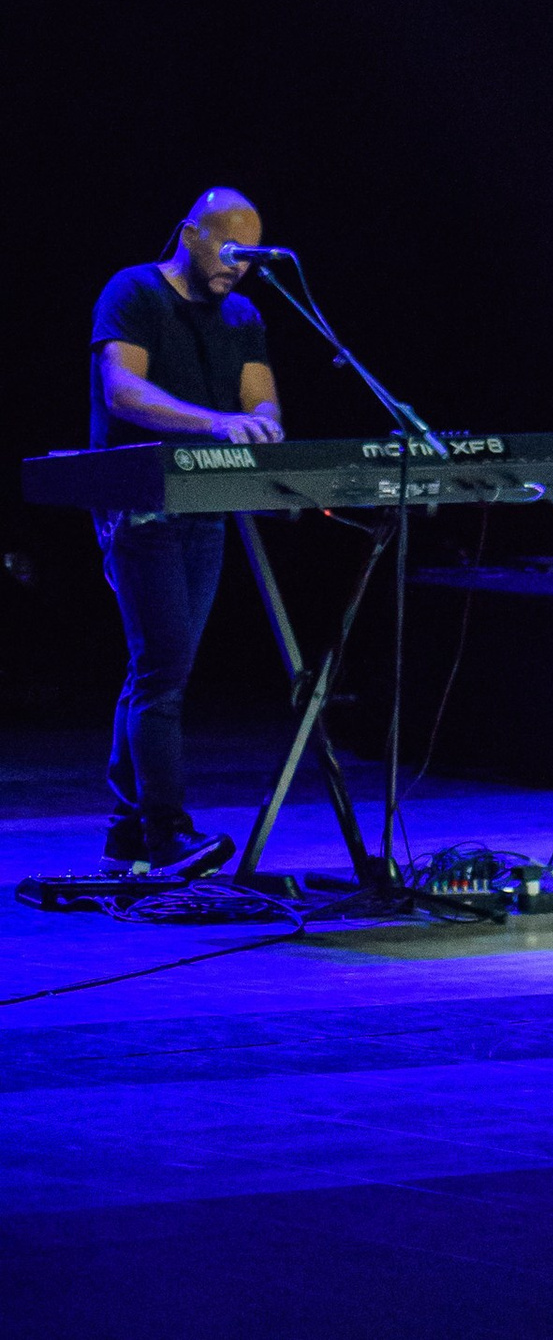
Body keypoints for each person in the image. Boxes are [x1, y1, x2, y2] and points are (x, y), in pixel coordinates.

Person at [89, 187, 283, 876]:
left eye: (249, 255)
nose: (239, 265)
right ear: (190, 233)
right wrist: (218, 423)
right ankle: (166, 831)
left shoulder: (242, 315)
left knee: (160, 670)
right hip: (139, 505)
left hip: (207, 507)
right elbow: (123, 390)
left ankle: (126, 832)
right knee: (163, 670)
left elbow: (260, 399)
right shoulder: (133, 290)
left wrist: (261, 424)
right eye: (228, 250)